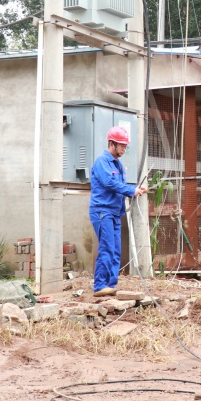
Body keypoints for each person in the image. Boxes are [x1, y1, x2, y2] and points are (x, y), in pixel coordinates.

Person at [89, 125, 148, 297]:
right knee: (107, 247)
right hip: (102, 211)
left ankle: (110, 284)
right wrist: (130, 191)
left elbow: (120, 185)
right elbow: (109, 183)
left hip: (114, 212)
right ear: (112, 143)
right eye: (121, 145)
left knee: (115, 251)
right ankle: (99, 285)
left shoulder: (119, 166)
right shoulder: (102, 162)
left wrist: (136, 188)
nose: (124, 148)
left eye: (125, 146)